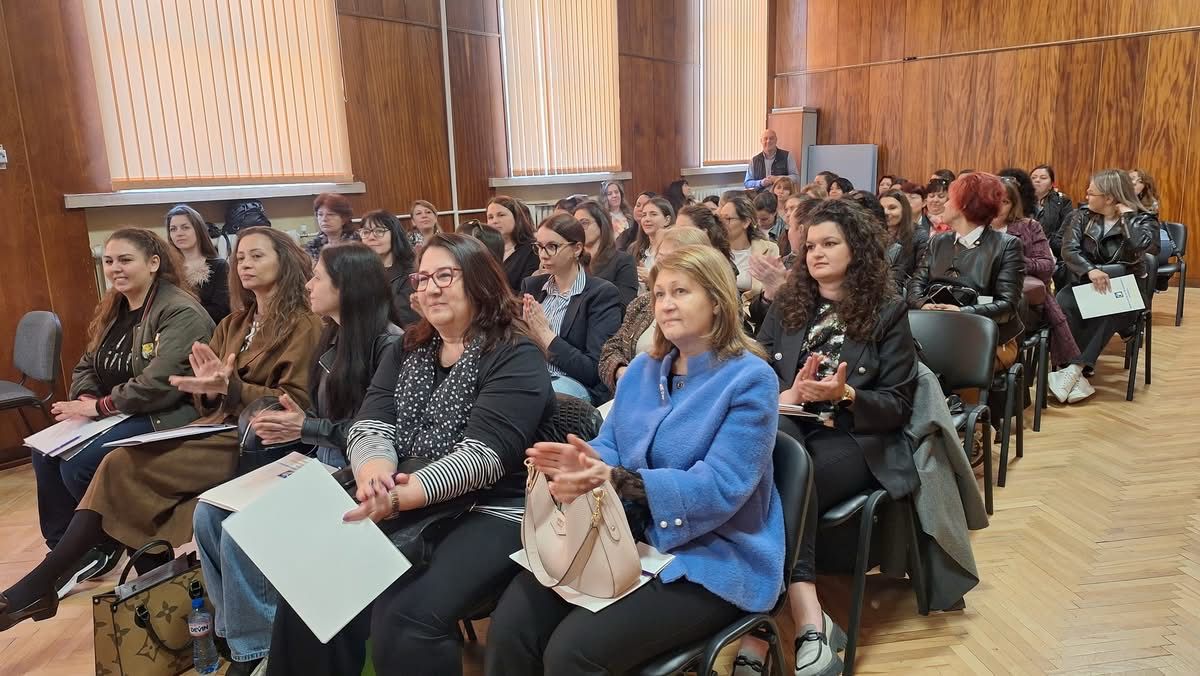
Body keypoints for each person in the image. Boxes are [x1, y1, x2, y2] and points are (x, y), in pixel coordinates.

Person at [1, 227, 322, 632]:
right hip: (215, 426)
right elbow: (202, 394)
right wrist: (208, 390)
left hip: (257, 438)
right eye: (240, 258)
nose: (244, 265)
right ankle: (139, 588)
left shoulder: (303, 325)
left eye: (257, 256)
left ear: (285, 262)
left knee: (116, 466)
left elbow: (294, 403)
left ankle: (46, 581)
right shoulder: (235, 323)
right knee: (118, 462)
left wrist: (229, 387)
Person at [266, 233, 556, 676]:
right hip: (408, 490)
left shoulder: (514, 353)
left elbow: (484, 458)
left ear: (479, 281)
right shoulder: (410, 348)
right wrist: (374, 475)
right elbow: (372, 423)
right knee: (314, 582)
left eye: (445, 276)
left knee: (405, 613)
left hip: (497, 506)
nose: (431, 288)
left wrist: (399, 496)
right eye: (423, 278)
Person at [486, 244, 783, 675]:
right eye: (659, 294)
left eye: (680, 292)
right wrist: (584, 463)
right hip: (624, 536)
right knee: (513, 624)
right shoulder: (644, 370)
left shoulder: (750, 379)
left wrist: (618, 480)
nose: (665, 304)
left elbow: (722, 486)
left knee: (572, 653)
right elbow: (612, 444)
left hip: (713, 557)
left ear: (718, 301)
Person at [192, 243, 401, 674]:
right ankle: (239, 641)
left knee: (240, 530)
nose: (308, 285)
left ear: (347, 287)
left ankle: (262, 648)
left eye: (318, 277)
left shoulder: (391, 345)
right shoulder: (333, 336)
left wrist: (306, 427)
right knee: (208, 514)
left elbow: (376, 434)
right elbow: (321, 418)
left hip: (359, 472)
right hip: (319, 460)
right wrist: (297, 422)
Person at [757, 199, 919, 675]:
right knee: (781, 458)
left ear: (857, 250)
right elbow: (755, 368)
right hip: (788, 430)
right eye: (810, 246)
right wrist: (786, 393)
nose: (816, 254)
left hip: (851, 438)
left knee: (779, 481)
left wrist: (845, 393)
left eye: (829, 243)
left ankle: (757, 631)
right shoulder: (789, 303)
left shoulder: (887, 311)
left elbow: (898, 406)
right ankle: (807, 613)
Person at [33, 228, 214, 600]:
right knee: (44, 453)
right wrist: (86, 398)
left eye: (125, 260)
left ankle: (113, 542)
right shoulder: (114, 306)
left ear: (153, 263)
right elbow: (87, 364)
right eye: (109, 261)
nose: (115, 268)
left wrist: (99, 407)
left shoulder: (179, 310)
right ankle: (69, 551)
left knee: (80, 465)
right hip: (117, 411)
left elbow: (162, 383)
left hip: (171, 413)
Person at [1053, 169, 1158, 402]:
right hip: (1087, 284)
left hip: (1125, 292)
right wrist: (1090, 270)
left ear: (1109, 198)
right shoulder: (1082, 216)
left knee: (1109, 308)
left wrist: (1128, 219)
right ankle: (1072, 373)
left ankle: (1074, 369)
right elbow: (1069, 249)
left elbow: (1145, 248)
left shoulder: (1144, 219)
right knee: (1063, 300)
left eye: (1091, 193)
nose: (1086, 196)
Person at [908, 172, 1026, 361]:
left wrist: (962, 313)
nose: (944, 204)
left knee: (946, 363)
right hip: (935, 330)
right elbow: (916, 284)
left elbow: (1008, 306)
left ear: (963, 205)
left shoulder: (1007, 245)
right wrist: (924, 304)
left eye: (949, 199)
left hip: (986, 338)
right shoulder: (938, 242)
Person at [991, 179, 1082, 401]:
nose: (998, 206)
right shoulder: (976, 227)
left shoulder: (1029, 227)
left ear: (1013, 204)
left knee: (1009, 310)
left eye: (1005, 202)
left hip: (1027, 304)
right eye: (994, 200)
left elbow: (1046, 266)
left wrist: (1014, 260)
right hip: (986, 299)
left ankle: (1006, 385)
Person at [599, 228, 719, 390]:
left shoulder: (741, 374)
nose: (666, 305)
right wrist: (623, 372)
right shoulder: (642, 304)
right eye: (660, 258)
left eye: (681, 291)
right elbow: (610, 350)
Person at [521, 214, 623, 403]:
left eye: (552, 246)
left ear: (577, 249)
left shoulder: (600, 294)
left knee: (533, 398)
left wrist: (545, 335)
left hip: (573, 383)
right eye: (539, 247)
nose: (543, 254)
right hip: (532, 375)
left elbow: (594, 370)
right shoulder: (532, 286)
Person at [165, 204, 230, 322]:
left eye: (185, 227)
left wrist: (183, 315)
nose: (179, 233)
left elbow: (222, 310)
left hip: (208, 328)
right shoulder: (167, 269)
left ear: (198, 230)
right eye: (173, 229)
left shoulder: (219, 266)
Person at [356, 209, 419, 327]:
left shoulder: (410, 272)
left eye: (379, 231)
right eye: (366, 232)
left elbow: (406, 316)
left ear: (394, 234)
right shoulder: (357, 272)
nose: (371, 237)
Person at [575, 200, 638, 310]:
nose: (579, 229)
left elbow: (624, 304)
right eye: (576, 225)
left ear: (601, 224)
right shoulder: (572, 262)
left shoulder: (623, 261)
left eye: (584, 223)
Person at [720, 195, 780, 294]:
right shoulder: (715, 251)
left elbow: (774, 287)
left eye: (728, 219)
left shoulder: (769, 249)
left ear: (746, 222)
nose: (722, 224)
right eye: (720, 219)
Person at [487, 195, 540, 292]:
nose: (494, 221)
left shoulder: (532, 250)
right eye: (490, 217)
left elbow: (526, 290)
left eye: (501, 215)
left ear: (516, 218)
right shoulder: (487, 250)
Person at [630, 196, 675, 287]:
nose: (647, 219)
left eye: (653, 214)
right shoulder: (635, 248)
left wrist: (650, 279)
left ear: (667, 220)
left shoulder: (674, 249)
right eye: (644, 215)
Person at [1029, 165, 1074, 255]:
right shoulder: (1020, 201)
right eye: (1033, 178)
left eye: (1043, 178)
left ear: (1051, 184)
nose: (1037, 180)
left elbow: (1066, 231)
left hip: (1051, 251)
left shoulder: (1062, 201)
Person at [305, 193, 359, 261]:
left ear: (344, 218)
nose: (324, 219)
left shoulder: (357, 244)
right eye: (320, 214)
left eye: (330, 214)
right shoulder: (313, 245)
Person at [880, 190, 917, 288]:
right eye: (881, 208)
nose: (885, 212)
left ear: (904, 210)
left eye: (892, 208)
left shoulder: (918, 236)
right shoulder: (875, 235)